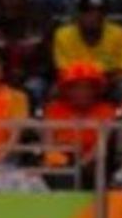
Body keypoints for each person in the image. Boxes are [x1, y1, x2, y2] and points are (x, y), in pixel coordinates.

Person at [42, 61, 116, 189]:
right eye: (75, 87)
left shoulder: (107, 111)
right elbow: (48, 143)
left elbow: (100, 146)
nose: (82, 91)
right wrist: (59, 161)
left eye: (87, 87)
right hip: (59, 163)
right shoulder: (53, 109)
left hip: (90, 166)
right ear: (66, 89)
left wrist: (80, 165)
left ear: (96, 90)